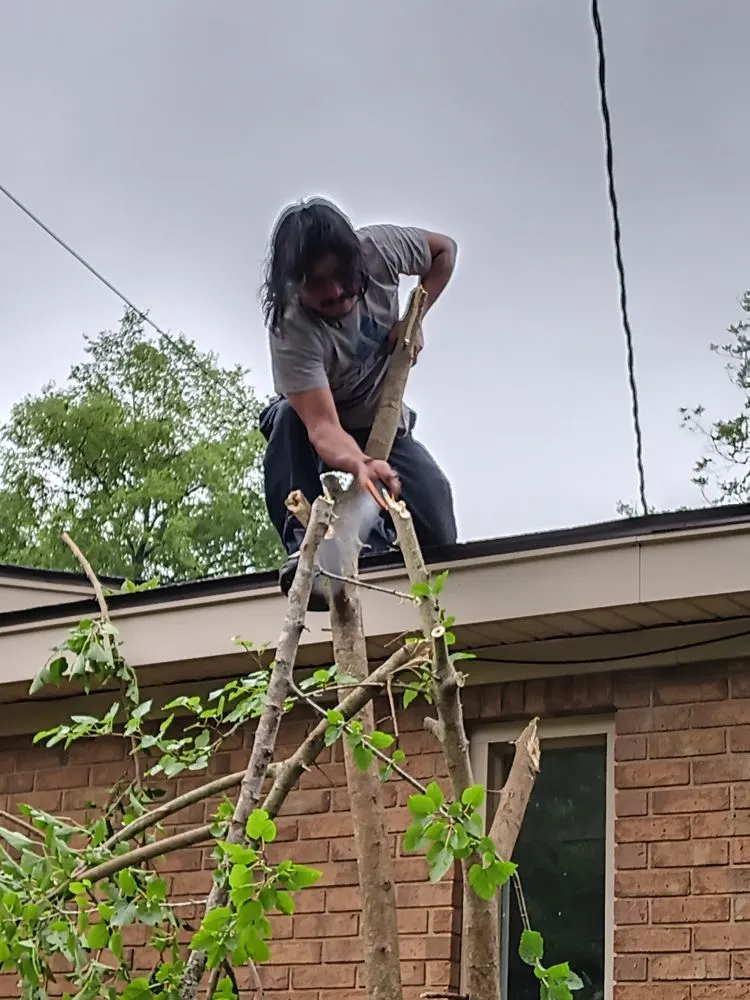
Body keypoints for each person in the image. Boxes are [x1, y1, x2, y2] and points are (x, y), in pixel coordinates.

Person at [258, 197, 458, 610]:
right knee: (285, 418)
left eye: (338, 276)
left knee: (439, 529)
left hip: (382, 422)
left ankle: (380, 545)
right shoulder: (291, 328)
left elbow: (444, 252)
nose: (333, 292)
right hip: (322, 430)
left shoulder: (380, 248)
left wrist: (413, 319)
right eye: (316, 283)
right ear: (294, 284)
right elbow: (323, 428)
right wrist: (360, 465)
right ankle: (309, 550)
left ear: (355, 258)